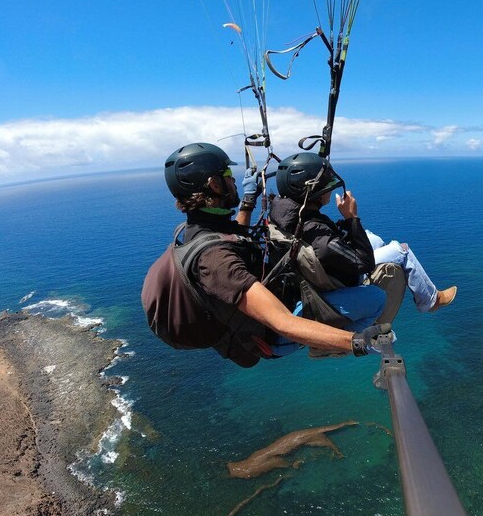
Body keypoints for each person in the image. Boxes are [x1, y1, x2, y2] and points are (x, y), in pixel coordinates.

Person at [158, 142, 389, 366]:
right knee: (376, 298)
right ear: (214, 184)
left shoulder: (202, 228)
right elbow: (282, 322)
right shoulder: (215, 262)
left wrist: (248, 203)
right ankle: (325, 349)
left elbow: (235, 237)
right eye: (227, 173)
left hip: (280, 300)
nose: (233, 180)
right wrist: (355, 342)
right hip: (273, 337)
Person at [269, 152, 457, 315]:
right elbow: (362, 263)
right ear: (311, 192)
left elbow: (322, 237)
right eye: (325, 185)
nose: (330, 188)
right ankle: (431, 301)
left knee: (373, 239)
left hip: (324, 265)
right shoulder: (317, 234)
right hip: (340, 279)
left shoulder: (289, 214)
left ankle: (397, 269)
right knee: (402, 250)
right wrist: (352, 218)